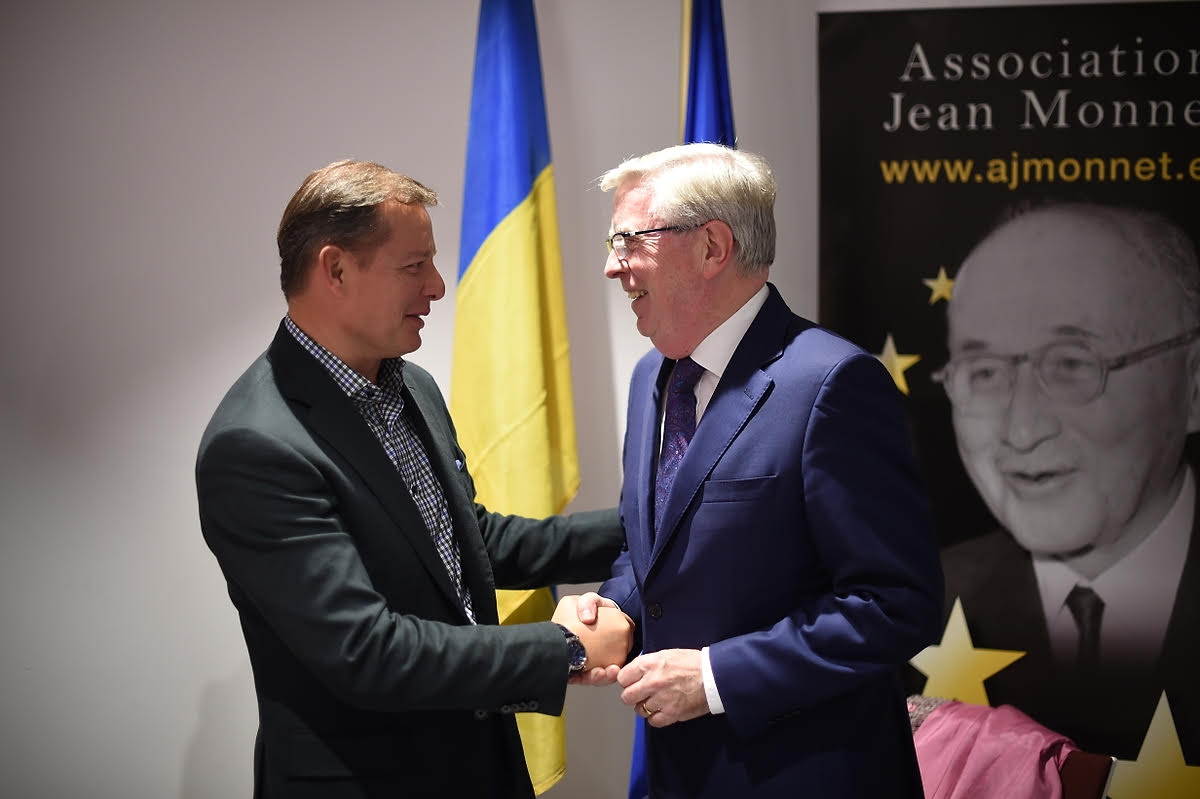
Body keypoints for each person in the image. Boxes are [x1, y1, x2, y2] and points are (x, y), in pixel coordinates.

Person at [195, 159, 634, 798]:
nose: (437, 286)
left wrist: (654, 521)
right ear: (335, 270)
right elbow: (367, 653)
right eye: (414, 266)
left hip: (482, 767)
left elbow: (468, 546)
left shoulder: (410, 386)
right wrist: (564, 647)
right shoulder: (256, 447)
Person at [563, 142, 945, 797]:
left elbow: (897, 604)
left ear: (713, 247)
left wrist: (715, 678)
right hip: (677, 774)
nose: (611, 264)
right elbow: (653, 547)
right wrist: (614, 610)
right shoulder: (652, 375)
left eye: (629, 239)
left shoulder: (832, 382)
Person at [926, 201, 1200, 762]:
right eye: (984, 373)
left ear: (1193, 385)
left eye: (1073, 364)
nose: (1022, 430)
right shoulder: (906, 614)